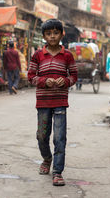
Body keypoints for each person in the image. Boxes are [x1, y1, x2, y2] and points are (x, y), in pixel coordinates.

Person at [27, 19, 78, 186]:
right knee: (42, 135)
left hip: (60, 102)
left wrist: (66, 81)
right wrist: (43, 81)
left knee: (60, 137)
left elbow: (74, 76)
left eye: (56, 33)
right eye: (49, 34)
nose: (52, 36)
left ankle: (57, 172)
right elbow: (31, 77)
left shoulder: (67, 55)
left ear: (61, 34)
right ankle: (47, 158)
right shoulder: (37, 55)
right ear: (44, 36)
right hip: (43, 103)